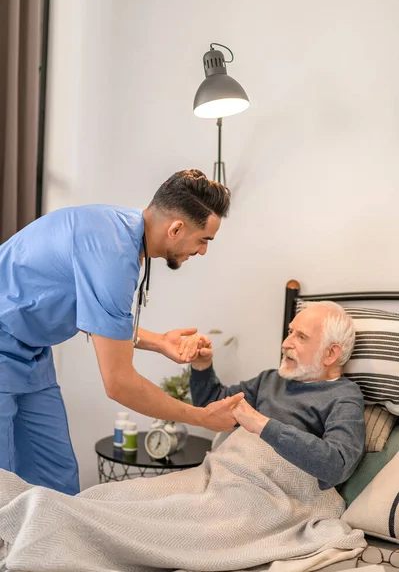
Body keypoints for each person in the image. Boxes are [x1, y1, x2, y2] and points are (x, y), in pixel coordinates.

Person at [0, 169, 243, 495]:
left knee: (55, 479)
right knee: (4, 481)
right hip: (6, 341)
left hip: (31, 351)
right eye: (203, 240)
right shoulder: (112, 254)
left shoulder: (122, 232)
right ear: (176, 228)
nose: (202, 251)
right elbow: (119, 384)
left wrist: (159, 342)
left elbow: (100, 318)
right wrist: (201, 417)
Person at [188, 301, 366, 490]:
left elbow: (337, 466)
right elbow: (210, 407)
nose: (285, 343)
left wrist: (260, 424)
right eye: (290, 332)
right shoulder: (271, 379)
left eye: (302, 337)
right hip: (223, 476)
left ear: (330, 353)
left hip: (271, 492)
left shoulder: (344, 396)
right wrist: (202, 366)